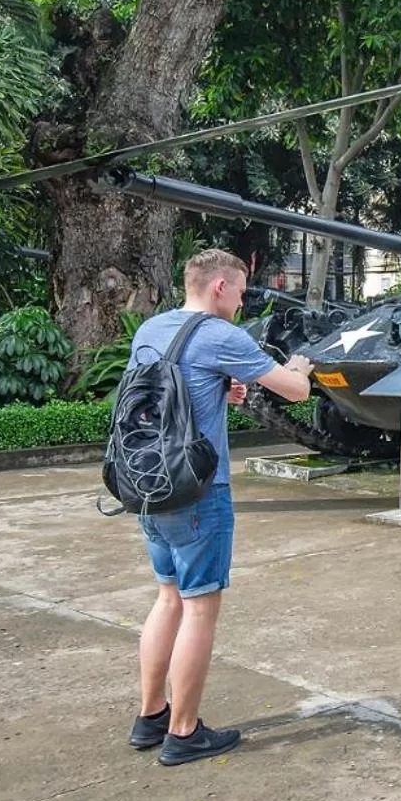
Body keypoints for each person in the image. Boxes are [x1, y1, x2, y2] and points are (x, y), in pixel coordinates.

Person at [125, 249, 316, 766]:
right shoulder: (222, 334)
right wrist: (299, 366)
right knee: (200, 608)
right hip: (199, 493)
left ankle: (151, 717)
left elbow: (161, 397)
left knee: (167, 599)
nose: (242, 299)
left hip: (148, 484)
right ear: (218, 288)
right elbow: (295, 392)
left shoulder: (152, 328)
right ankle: (184, 733)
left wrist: (220, 391)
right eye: (240, 290)